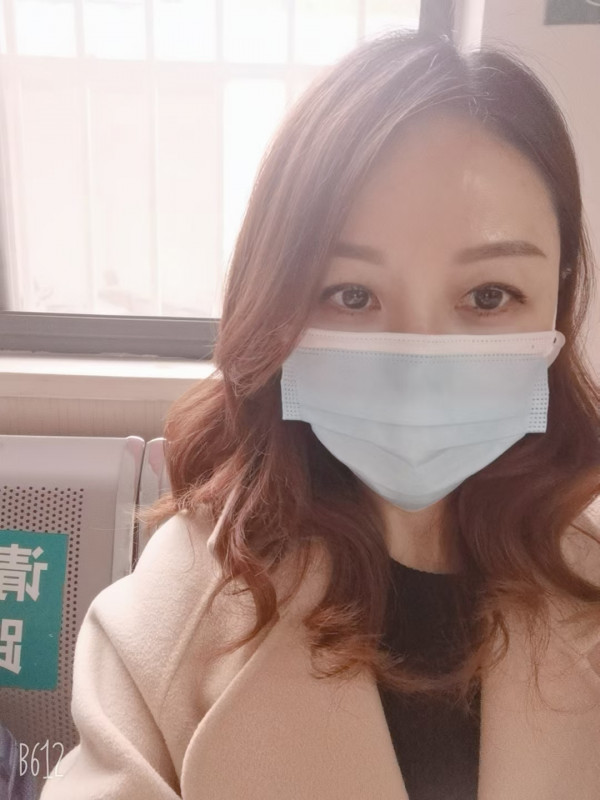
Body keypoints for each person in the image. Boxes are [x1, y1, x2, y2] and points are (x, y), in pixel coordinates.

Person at [40, 30, 600, 800]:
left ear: (557, 300)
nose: (416, 369)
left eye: (489, 295)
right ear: (278, 306)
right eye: (353, 295)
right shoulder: (169, 619)